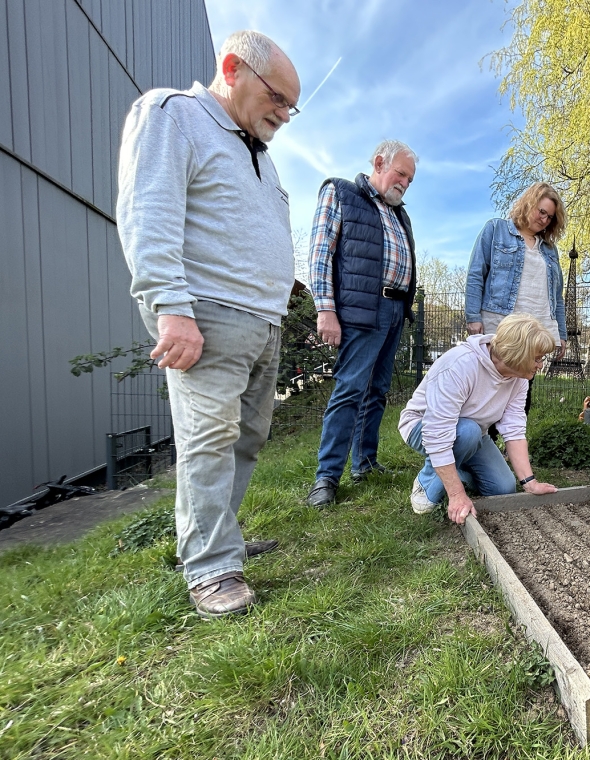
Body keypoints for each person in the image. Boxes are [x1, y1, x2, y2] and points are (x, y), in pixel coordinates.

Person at [117, 30, 301, 618]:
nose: (285, 114)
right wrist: (170, 308)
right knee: (208, 440)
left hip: (261, 324)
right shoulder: (173, 115)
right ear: (233, 68)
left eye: (291, 106)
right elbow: (149, 213)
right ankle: (210, 568)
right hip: (208, 315)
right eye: (278, 97)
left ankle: (222, 539)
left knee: (244, 440)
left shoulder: (260, 156)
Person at [304, 141, 419, 508]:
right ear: (379, 162)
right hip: (360, 308)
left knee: (378, 390)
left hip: (395, 310)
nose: (404, 183)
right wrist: (326, 310)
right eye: (401, 173)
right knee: (350, 390)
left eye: (410, 179)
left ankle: (365, 463)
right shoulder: (341, 192)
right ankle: (326, 478)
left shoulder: (401, 215)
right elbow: (321, 253)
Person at [398, 314, 559, 525]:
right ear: (518, 354)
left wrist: (529, 482)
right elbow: (436, 433)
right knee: (468, 431)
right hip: (423, 427)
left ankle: (457, 472)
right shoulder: (460, 365)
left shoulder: (519, 379)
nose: (540, 365)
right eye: (537, 358)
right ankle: (426, 482)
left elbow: (514, 430)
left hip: (474, 434)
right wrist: (456, 495)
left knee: (502, 489)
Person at [465, 182, 568, 362]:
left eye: (550, 217)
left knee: (524, 384)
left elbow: (557, 297)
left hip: (537, 328)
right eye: (541, 211)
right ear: (529, 203)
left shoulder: (550, 250)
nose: (544, 219)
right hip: (500, 323)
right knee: (493, 380)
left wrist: (561, 333)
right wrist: (473, 316)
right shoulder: (496, 229)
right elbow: (476, 275)